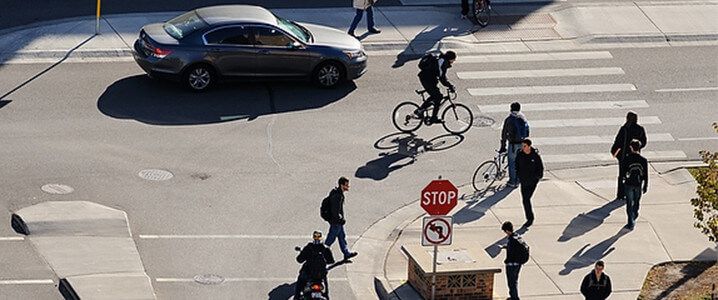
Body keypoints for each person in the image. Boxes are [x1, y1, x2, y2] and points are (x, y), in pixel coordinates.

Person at [610, 111, 646, 200]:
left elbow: (618, 141)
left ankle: (621, 194)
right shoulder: (640, 129)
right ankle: (634, 192)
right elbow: (644, 142)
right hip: (635, 155)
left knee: (622, 175)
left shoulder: (624, 129)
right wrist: (637, 147)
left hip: (624, 156)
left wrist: (614, 151)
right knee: (637, 172)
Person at [415, 51, 457, 124]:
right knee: (438, 97)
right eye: (453, 59)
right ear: (450, 59)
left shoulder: (443, 61)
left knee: (436, 96)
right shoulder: (442, 62)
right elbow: (442, 78)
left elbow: (442, 75)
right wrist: (450, 86)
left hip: (429, 79)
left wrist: (449, 85)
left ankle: (421, 110)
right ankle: (433, 117)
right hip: (426, 79)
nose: (453, 61)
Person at [324, 177, 358, 261]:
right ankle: (321, 253)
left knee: (342, 236)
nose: (348, 187)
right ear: (341, 185)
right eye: (346, 185)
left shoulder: (336, 193)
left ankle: (346, 253)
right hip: (336, 222)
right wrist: (340, 220)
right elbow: (335, 211)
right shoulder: (338, 196)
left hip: (337, 221)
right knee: (330, 239)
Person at [295, 231, 335, 300]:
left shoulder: (309, 247)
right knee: (325, 283)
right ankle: (327, 295)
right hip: (321, 275)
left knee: (300, 282)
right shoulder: (325, 248)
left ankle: (296, 297)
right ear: (321, 238)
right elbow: (331, 261)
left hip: (309, 273)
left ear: (313, 237)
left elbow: (299, 260)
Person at [500, 102, 530, 188]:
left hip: (513, 144)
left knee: (512, 162)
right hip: (522, 143)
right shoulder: (522, 117)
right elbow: (527, 131)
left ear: (511, 109)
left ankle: (512, 181)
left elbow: (504, 133)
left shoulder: (509, 119)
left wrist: (503, 146)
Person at [620, 139, 648, 230]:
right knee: (636, 201)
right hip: (638, 184)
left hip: (628, 184)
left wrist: (622, 181)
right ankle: (634, 214)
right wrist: (645, 185)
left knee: (629, 203)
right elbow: (645, 175)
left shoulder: (627, 159)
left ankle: (630, 222)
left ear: (631, 147)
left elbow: (623, 173)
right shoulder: (643, 160)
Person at [516, 139, 543, 228]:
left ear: (529, 146)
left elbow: (540, 167)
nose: (523, 148)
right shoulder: (520, 155)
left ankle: (530, 219)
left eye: (524, 146)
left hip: (532, 182)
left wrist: (537, 178)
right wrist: (519, 176)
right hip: (524, 181)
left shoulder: (535, 156)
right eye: (522, 146)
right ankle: (529, 218)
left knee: (527, 199)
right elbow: (517, 166)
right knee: (525, 200)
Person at [501, 221, 526, 300]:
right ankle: (514, 296)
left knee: (511, 282)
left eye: (505, 231)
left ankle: (514, 298)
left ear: (507, 231)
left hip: (512, 265)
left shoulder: (511, 240)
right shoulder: (517, 236)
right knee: (514, 281)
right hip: (518, 264)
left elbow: (511, 252)